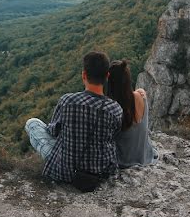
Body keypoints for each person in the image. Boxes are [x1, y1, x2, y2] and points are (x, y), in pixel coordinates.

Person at [24, 51, 123, 185]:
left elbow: (53, 131)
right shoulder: (115, 109)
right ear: (107, 76)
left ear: (84, 75)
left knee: (32, 123)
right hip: (101, 174)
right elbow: (114, 137)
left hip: (65, 172)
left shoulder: (68, 101)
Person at [105, 59, 157, 167]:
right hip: (145, 157)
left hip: (123, 161)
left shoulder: (111, 107)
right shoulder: (140, 96)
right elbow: (137, 93)